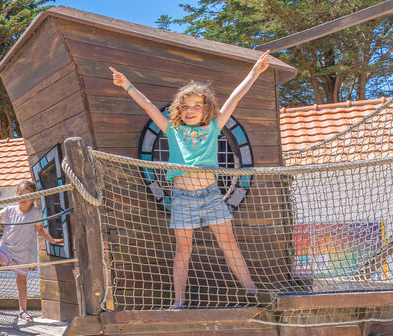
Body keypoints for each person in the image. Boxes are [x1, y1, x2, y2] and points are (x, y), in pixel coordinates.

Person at [109, 52, 272, 309]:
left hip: (211, 195)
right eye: (186, 106)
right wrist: (126, 84)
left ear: (206, 109)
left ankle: (253, 292)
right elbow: (148, 105)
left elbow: (234, 98)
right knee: (184, 249)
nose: (191, 110)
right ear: (178, 109)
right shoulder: (172, 130)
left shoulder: (213, 128)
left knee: (229, 244)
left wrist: (255, 72)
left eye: (197, 105)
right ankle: (179, 301)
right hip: (183, 198)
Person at [0, 179, 63, 322]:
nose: (23, 199)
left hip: (23, 253)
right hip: (6, 248)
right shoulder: (9, 210)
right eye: (20, 195)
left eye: (27, 196)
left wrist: (52, 240)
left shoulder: (36, 213)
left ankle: (23, 311)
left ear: (33, 198)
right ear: (16, 195)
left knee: (21, 282)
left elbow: (40, 230)